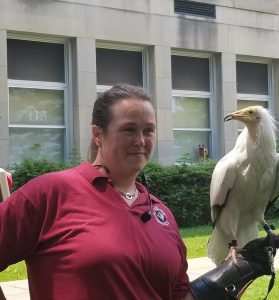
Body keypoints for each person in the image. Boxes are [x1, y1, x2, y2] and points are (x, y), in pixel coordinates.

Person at [0, 84, 196, 300]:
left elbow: (179, 295)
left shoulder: (163, 215)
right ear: (97, 135)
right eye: (128, 129)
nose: (140, 141)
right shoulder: (50, 194)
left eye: (148, 130)